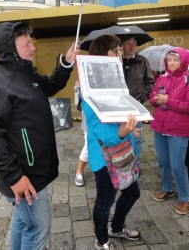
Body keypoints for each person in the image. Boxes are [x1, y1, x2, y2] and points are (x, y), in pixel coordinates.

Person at [0, 21, 80, 250]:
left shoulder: (25, 73)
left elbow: (49, 86)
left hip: (35, 170)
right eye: (27, 43)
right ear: (11, 48)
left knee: (23, 221)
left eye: (32, 42)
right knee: (39, 226)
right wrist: (14, 177)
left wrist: (66, 62)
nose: (33, 47)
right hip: (24, 176)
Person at [80, 35, 140, 250]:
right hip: (104, 156)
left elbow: (119, 113)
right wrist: (122, 132)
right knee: (105, 201)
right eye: (117, 50)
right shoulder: (89, 86)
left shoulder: (114, 79)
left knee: (133, 192)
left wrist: (132, 129)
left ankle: (116, 227)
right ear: (107, 54)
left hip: (123, 150)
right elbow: (96, 126)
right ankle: (102, 239)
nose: (121, 54)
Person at [149, 48, 189, 215]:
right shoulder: (162, 78)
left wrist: (169, 100)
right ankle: (167, 188)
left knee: (177, 165)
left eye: (175, 60)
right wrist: (156, 100)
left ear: (183, 62)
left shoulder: (187, 80)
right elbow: (151, 97)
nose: (172, 63)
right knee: (163, 161)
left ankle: (185, 199)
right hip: (159, 127)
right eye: (169, 60)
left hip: (178, 130)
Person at [121, 36, 155, 168]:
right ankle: (122, 162)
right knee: (121, 134)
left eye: (134, 44)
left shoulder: (142, 61)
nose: (131, 47)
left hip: (136, 105)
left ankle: (135, 164)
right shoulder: (117, 60)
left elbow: (150, 82)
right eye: (128, 44)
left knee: (137, 137)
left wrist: (141, 99)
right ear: (123, 45)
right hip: (119, 105)